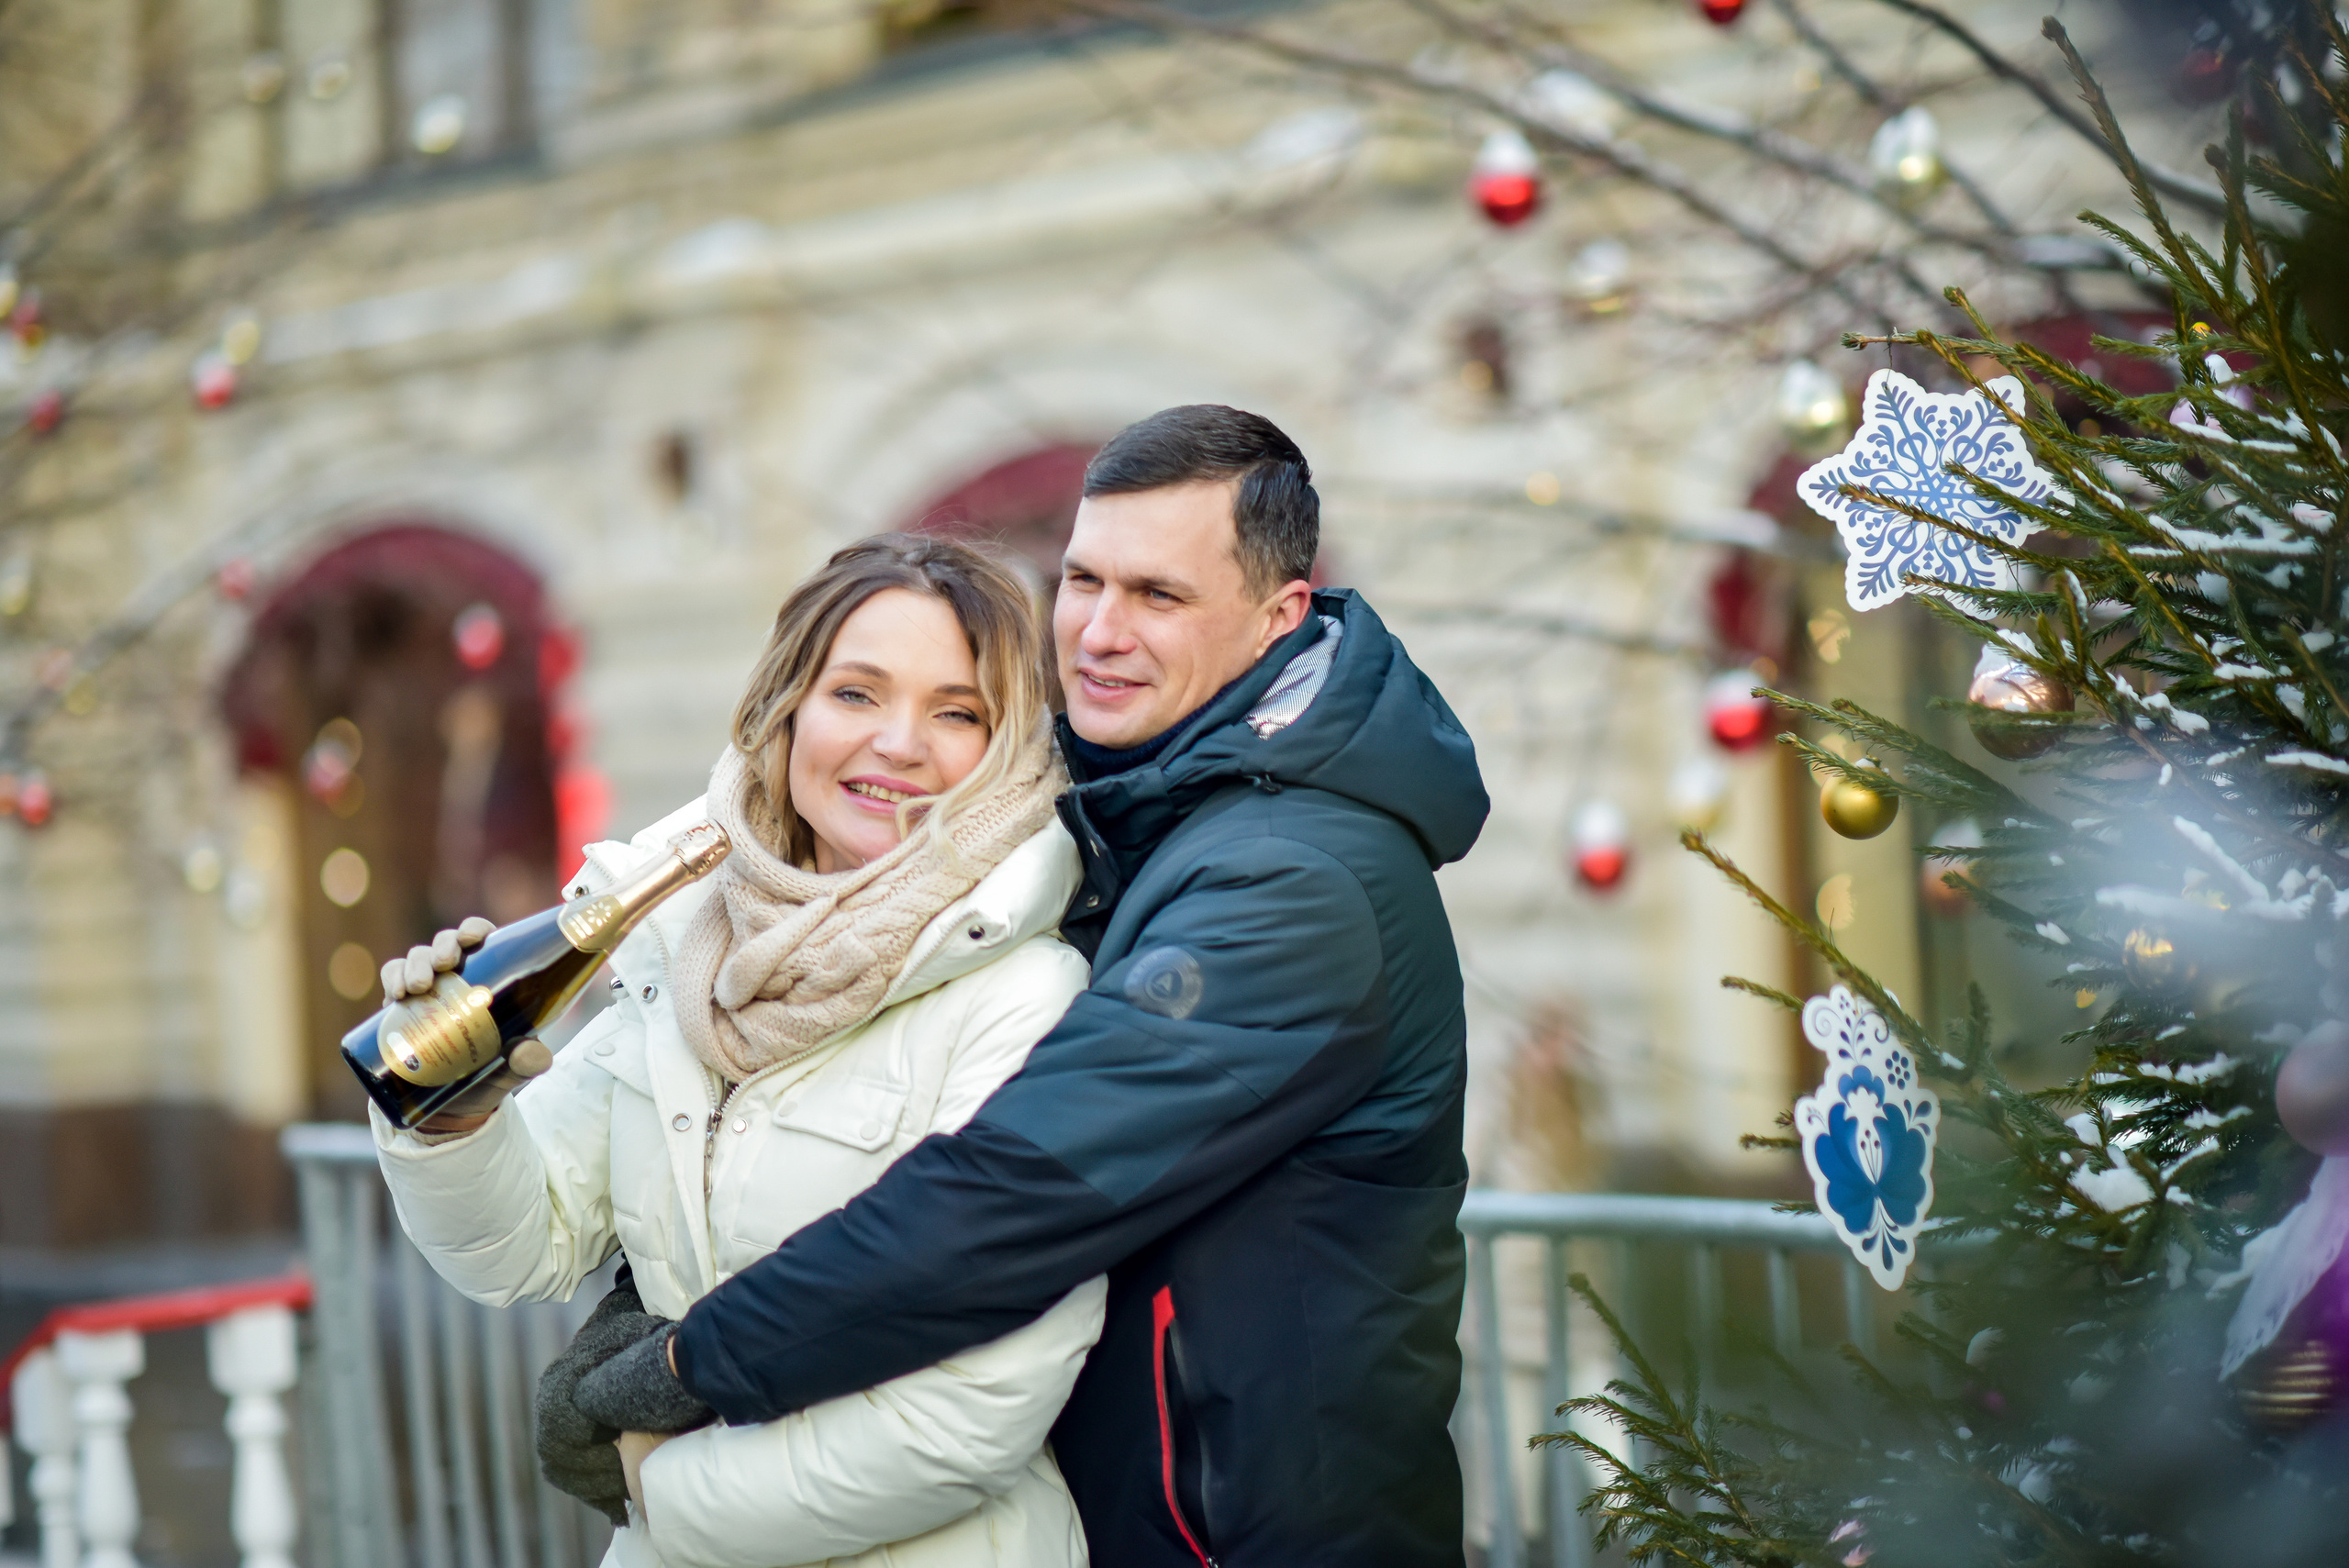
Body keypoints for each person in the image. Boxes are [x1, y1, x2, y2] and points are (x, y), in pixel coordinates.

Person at [592, 406, 1490, 1566]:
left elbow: (1011, 1190)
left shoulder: (1292, 880)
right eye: (1081, 580)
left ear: (1280, 616)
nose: (1100, 632)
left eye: (1157, 596)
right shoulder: (1143, 812)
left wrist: (688, 1364)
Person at [369, 534, 1108, 1568]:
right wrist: (446, 1116)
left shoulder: (1026, 996)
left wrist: (654, 1485)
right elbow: (521, 1245)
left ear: (1007, 750)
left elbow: (969, 1420)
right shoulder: (690, 945)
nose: (898, 742)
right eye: (856, 692)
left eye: (957, 710)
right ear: (784, 708)